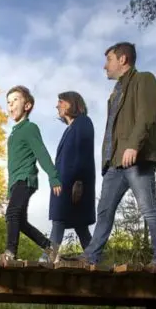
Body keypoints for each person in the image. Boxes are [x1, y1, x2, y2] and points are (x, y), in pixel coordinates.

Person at [67, 42, 156, 267]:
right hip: (114, 164)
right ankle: (91, 256)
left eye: (109, 60)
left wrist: (133, 145)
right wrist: (107, 161)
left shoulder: (144, 79)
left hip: (136, 159)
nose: (105, 66)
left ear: (122, 59)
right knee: (104, 211)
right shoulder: (115, 93)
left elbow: (147, 115)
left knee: (148, 208)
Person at [2, 85, 61, 263]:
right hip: (16, 182)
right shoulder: (13, 135)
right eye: (8, 102)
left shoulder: (30, 128)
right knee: (19, 221)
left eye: (15, 100)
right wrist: (9, 190)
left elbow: (41, 153)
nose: (11, 105)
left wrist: (53, 176)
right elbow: (12, 166)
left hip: (26, 179)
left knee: (11, 214)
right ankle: (50, 248)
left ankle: (10, 253)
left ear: (27, 106)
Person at [48, 91, 95, 256]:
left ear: (72, 103)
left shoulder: (83, 122)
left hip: (73, 184)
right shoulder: (70, 128)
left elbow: (84, 153)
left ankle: (48, 256)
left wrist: (79, 181)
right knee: (80, 225)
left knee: (60, 220)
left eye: (61, 101)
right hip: (65, 183)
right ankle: (93, 257)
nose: (57, 105)